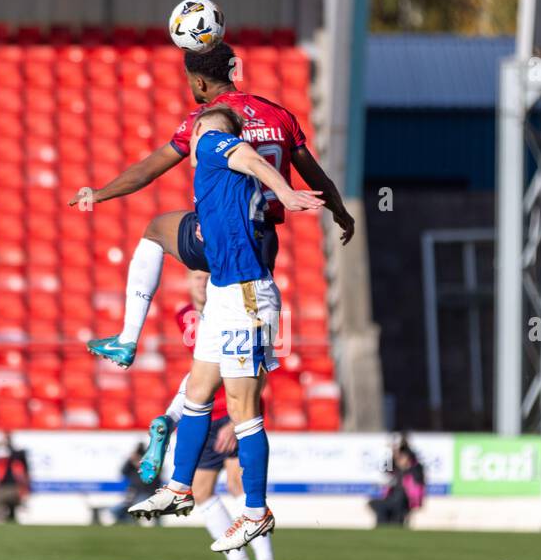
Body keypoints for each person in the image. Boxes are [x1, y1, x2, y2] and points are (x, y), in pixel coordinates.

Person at [71, 42, 355, 368]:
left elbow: (148, 169)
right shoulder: (279, 114)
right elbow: (317, 177)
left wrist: (100, 193)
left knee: (154, 231)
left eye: (190, 79)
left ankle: (127, 338)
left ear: (200, 83)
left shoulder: (206, 121)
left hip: (221, 239)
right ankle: (184, 411)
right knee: (226, 365)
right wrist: (341, 212)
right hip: (265, 245)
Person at [127, 104, 322, 560]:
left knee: (241, 408)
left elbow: (253, 160)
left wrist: (286, 191)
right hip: (223, 293)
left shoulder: (215, 141)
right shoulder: (219, 171)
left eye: (192, 135)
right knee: (197, 391)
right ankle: (178, 488)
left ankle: (255, 512)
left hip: (247, 296)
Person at [140, 270, 279, 560]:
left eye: (206, 276)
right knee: (200, 493)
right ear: (187, 282)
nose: (201, 282)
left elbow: (262, 369)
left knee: (239, 488)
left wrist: (237, 420)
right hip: (203, 417)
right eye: (195, 278)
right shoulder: (186, 317)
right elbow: (198, 371)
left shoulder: (241, 308)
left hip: (234, 414)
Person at [369, 440, 427, 527]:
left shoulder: (415, 469)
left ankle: (393, 526)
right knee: (377, 505)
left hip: (407, 500)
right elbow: (386, 469)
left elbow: (416, 486)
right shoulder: (396, 469)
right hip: (392, 499)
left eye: (401, 457)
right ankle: (382, 527)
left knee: (397, 504)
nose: (399, 460)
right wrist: (392, 454)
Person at [107, 443, 157, 525]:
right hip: (133, 494)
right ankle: (124, 524)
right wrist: (130, 459)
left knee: (136, 506)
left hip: (147, 494)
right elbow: (123, 471)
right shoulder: (131, 466)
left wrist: (141, 463)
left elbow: (153, 479)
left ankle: (132, 523)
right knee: (115, 510)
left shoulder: (150, 466)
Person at [0, 439, 31, 523]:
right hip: (2, 488)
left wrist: (8, 445)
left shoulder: (17, 461)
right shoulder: (0, 463)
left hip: (14, 488)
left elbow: (20, 455)